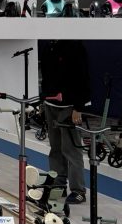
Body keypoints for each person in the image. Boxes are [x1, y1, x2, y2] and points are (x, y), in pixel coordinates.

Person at [39, 39, 91, 204]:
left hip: (69, 106)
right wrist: (44, 100)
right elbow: (46, 75)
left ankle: (78, 190)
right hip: (50, 104)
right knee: (55, 148)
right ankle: (58, 184)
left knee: (71, 149)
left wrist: (78, 107)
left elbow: (83, 77)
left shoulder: (75, 46)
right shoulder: (48, 46)